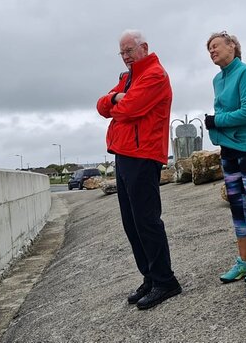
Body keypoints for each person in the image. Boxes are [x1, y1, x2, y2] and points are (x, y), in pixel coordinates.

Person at [96, 29, 181, 310]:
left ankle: (165, 280)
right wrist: (115, 99)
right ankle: (150, 276)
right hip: (124, 154)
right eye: (121, 53)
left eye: (129, 51)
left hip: (143, 155)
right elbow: (101, 106)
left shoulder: (154, 74)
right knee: (131, 222)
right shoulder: (127, 77)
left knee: (146, 220)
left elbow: (128, 109)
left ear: (143, 47)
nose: (125, 57)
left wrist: (118, 100)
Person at [204, 31, 246, 286]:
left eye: (215, 46)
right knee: (237, 206)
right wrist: (218, 127)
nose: (211, 51)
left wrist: (215, 122)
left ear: (232, 46)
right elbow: (223, 111)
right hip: (229, 149)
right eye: (208, 49)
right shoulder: (217, 80)